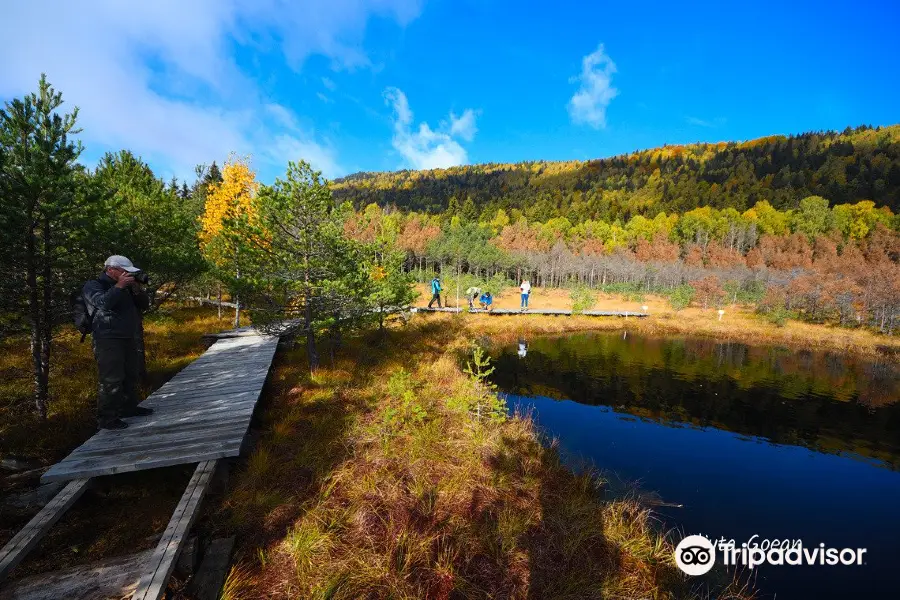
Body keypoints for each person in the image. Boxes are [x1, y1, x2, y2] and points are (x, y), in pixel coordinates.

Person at [82, 255, 153, 430]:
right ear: (111, 270)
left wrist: (136, 289)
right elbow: (103, 303)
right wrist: (119, 286)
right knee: (111, 379)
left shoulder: (127, 287)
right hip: (107, 339)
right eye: (124, 271)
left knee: (130, 373)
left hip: (127, 336)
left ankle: (128, 408)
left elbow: (144, 305)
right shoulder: (93, 285)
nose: (128, 274)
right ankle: (107, 418)